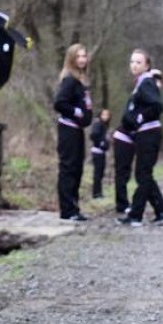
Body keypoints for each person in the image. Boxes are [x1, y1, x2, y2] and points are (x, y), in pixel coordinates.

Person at [117, 50, 163, 227]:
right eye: (132, 62)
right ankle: (162, 212)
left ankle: (136, 215)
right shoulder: (141, 83)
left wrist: (139, 117)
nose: (134, 65)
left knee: (143, 174)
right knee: (144, 174)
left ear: (147, 65)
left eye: (138, 62)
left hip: (149, 133)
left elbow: (157, 105)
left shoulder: (146, 82)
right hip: (144, 134)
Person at [53, 43, 93, 221]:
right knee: (68, 168)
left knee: (77, 169)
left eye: (84, 56)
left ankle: (74, 208)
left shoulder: (81, 81)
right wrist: (77, 112)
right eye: (79, 56)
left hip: (77, 131)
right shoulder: (69, 80)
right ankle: (67, 210)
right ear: (71, 59)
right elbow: (59, 103)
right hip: (68, 130)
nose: (82, 59)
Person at [89, 108, 111, 199]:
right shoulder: (98, 123)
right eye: (104, 114)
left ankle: (99, 193)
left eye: (107, 115)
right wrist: (101, 143)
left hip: (101, 152)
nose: (106, 117)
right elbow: (93, 135)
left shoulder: (104, 125)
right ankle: (96, 193)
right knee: (97, 173)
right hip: (97, 151)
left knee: (100, 173)